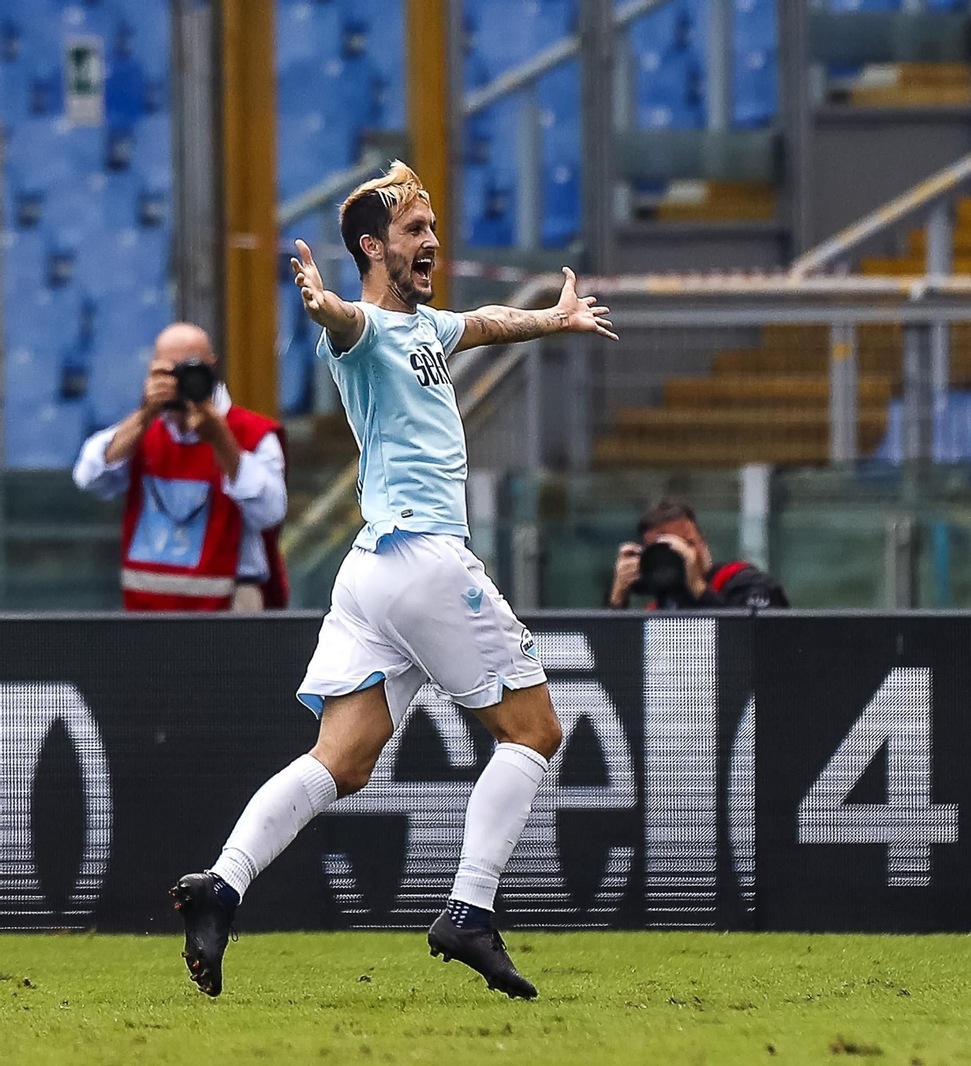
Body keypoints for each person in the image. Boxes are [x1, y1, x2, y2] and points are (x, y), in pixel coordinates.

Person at [169, 161, 617, 1000]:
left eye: (434, 228)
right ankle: (469, 911)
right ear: (373, 248)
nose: (432, 241)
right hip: (423, 557)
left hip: (371, 575)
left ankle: (221, 886)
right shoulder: (368, 330)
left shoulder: (427, 328)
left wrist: (554, 319)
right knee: (534, 732)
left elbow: (484, 322)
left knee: (339, 761)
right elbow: (345, 322)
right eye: (415, 230)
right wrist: (323, 303)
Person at [72, 323, 289, 611]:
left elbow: (271, 512)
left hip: (230, 605)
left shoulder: (252, 434)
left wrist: (221, 440)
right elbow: (89, 477)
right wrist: (145, 413)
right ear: (152, 371)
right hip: (147, 608)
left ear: (212, 368)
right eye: (169, 372)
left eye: (190, 370)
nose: (181, 382)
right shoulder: (143, 431)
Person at [608, 499, 788, 610]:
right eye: (663, 550)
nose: (682, 555)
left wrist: (697, 587)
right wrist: (617, 600)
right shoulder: (659, 610)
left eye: (688, 544)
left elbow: (753, 645)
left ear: (703, 543)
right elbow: (610, 658)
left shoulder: (745, 584)